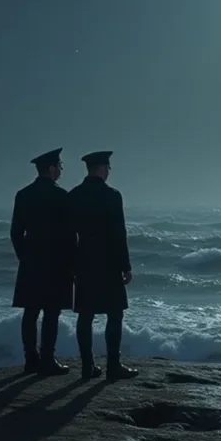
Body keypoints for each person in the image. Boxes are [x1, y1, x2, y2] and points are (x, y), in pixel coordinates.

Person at [68, 150, 138, 380]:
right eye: (108, 168)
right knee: (115, 314)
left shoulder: (74, 195)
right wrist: (125, 266)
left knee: (85, 315)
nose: (109, 172)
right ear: (102, 168)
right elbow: (119, 234)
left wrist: (71, 264)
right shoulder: (112, 195)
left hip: (84, 261)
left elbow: (68, 235)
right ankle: (113, 366)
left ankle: (87, 366)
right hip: (108, 262)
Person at [10, 148, 75, 374]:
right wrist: (72, 263)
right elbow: (70, 235)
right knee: (51, 312)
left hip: (31, 261)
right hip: (56, 262)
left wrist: (24, 256)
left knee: (30, 311)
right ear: (51, 168)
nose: (61, 170)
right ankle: (47, 359)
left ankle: (30, 359)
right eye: (60, 166)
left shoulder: (23, 194)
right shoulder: (61, 196)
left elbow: (16, 232)